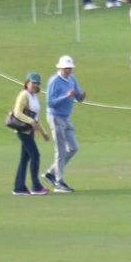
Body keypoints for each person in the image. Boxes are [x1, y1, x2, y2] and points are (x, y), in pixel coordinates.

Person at [43, 55, 84, 193]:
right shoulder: (54, 81)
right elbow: (50, 102)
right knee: (60, 150)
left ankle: (51, 173)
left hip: (66, 117)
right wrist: (66, 96)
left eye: (70, 68)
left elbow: (78, 96)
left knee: (73, 148)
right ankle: (59, 182)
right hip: (55, 116)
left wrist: (81, 96)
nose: (68, 71)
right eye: (66, 68)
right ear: (60, 68)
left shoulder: (72, 79)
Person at [11, 72, 51, 195]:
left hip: (30, 131)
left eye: (37, 83)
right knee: (35, 155)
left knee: (25, 159)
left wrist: (43, 132)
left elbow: (36, 119)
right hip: (23, 130)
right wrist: (31, 121)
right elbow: (17, 113)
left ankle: (19, 187)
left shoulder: (34, 97)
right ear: (27, 82)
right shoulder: (24, 95)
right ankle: (36, 186)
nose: (35, 85)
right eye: (33, 82)